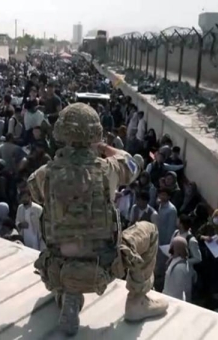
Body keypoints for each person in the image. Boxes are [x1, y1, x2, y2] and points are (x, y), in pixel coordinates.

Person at [28, 103, 168, 336]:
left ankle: (69, 296)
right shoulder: (109, 169)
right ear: (95, 135)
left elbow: (35, 191)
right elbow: (133, 163)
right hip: (104, 266)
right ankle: (137, 301)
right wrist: (103, 147)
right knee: (149, 231)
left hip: (58, 268)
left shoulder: (46, 174)